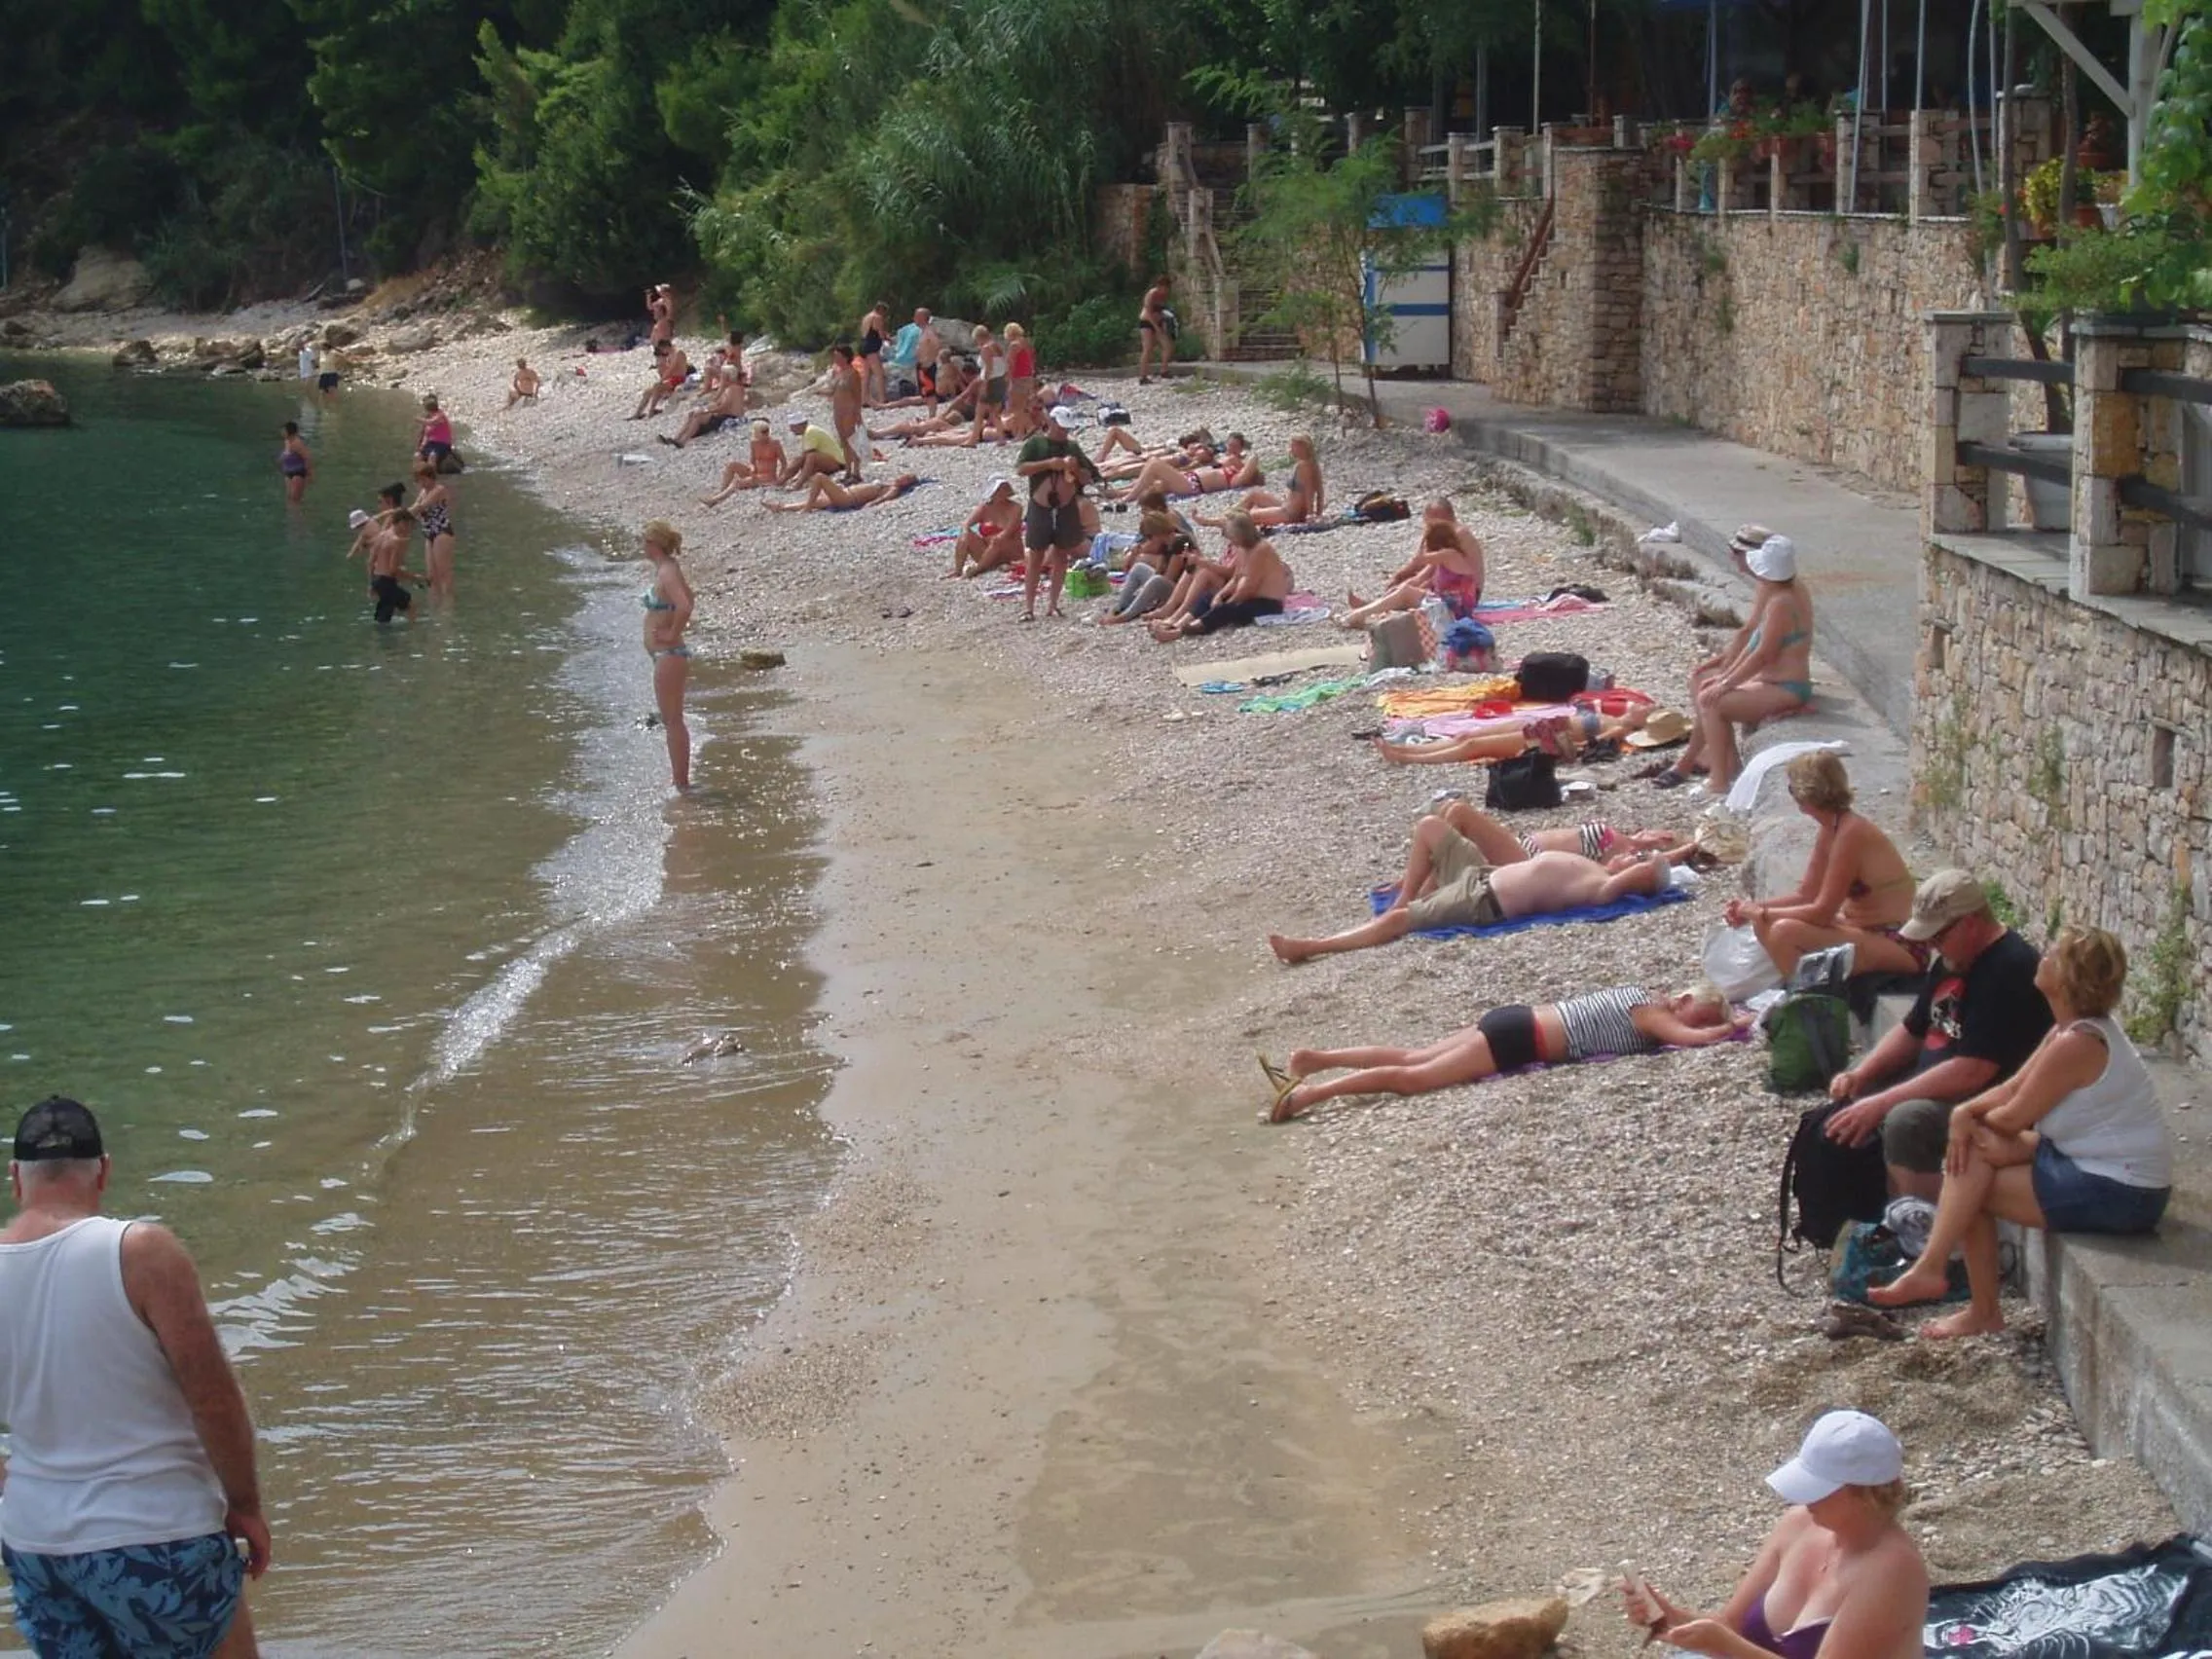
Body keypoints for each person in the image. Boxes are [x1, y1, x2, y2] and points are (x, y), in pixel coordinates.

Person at [0, 1096, 272, 1658]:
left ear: (15, 1179)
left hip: (38, 1546)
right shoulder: (142, 1252)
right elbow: (213, 1398)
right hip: (157, 1536)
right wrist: (245, 1503)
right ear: (103, 1171)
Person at [1869, 927, 2172, 1338]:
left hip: (2123, 1191)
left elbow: (2011, 1117)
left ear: (2067, 976)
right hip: (2083, 1160)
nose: (2041, 956)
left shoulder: (2079, 1042)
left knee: (1971, 1181)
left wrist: (1966, 1121)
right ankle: (1955, 1288)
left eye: (2052, 953)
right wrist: (1965, 1113)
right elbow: (2011, 1088)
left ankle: (1946, 1279)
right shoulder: (2066, 1029)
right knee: (1972, 1157)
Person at [1823, 869, 2055, 1201]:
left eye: (1938, 937)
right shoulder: (1952, 958)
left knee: (1907, 1120)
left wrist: (1885, 1101)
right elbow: (1912, 1029)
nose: (1931, 945)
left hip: (1987, 1099)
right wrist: (1860, 1074)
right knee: (1860, 1083)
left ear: (1970, 923)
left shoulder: (2008, 969)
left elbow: (1973, 1071)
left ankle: (1924, 1230)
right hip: (1943, 1077)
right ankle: (1880, 1209)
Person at [1624, 1410, 1927, 1659]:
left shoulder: (1892, 1571)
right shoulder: (1798, 1525)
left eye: (1818, 1489)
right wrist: (1670, 1617)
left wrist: (1724, 1646)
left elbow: (1727, 1640)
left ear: (1863, 1493)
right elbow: (1731, 1625)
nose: (1805, 1500)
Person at [1262, 981, 1745, 1121]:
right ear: (1681, 1002)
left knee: (1413, 1057)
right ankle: (1309, 1095)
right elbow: (1690, 1039)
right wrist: (1734, 1025)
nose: (1681, 1028)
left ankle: (1315, 1060)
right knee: (1412, 1079)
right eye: (1692, 1015)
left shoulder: (1636, 992)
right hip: (1519, 1039)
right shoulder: (1653, 1013)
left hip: (1516, 1018)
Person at [1267, 824, 1685, 965]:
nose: (1630, 856)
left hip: (1483, 900)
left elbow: (1636, 881)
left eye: (1635, 861)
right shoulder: (1596, 867)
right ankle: (1405, 896)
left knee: (1398, 924)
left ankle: (1311, 947)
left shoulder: (1600, 887)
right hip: (1481, 874)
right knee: (1431, 825)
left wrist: (1650, 870)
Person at [1728, 753, 1924, 978]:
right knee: (1764, 925)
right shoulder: (1832, 828)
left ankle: (1811, 1004)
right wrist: (1750, 908)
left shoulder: (1852, 833)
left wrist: (1761, 912)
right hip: (1861, 929)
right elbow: (1806, 895)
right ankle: (1807, 992)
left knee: (1784, 932)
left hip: (1897, 940)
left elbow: (1822, 912)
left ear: (1804, 794)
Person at [1653, 533, 1814, 794]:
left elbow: (1764, 654)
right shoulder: (1779, 593)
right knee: (1709, 689)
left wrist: (1727, 682)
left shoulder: (1782, 602)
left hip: (1787, 687)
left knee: (1713, 702)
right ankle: (1725, 767)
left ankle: (1718, 779)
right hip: (1773, 680)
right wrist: (1725, 674)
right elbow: (1754, 642)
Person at [1146, 511, 1291, 640]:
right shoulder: (1243, 548)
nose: (1229, 539)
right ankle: (1178, 624)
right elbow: (1236, 578)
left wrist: (1228, 601)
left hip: (1267, 603)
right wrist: (1220, 595)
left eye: (1231, 535)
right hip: (1251, 597)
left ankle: (1179, 632)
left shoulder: (1260, 550)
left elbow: (1249, 588)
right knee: (1208, 598)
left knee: (1224, 610)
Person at [1014, 404, 1098, 622]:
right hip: (1040, 505)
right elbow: (1021, 469)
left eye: (1066, 429)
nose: (1064, 433)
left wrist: (1075, 469)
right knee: (1035, 556)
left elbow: (1089, 476)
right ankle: (1029, 607)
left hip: (1065, 506)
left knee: (1061, 555)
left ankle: (1053, 604)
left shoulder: (1072, 448)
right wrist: (1050, 464)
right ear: (1050, 423)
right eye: (1061, 428)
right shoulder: (1035, 443)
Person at [1340, 518, 1484, 628]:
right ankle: (1365, 610)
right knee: (1406, 590)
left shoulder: (1448, 554)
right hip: (1451, 608)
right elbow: (1420, 578)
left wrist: (1424, 540)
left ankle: (1360, 614)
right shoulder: (1448, 558)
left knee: (1406, 593)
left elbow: (1419, 560)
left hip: (1454, 613)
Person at [641, 520, 694, 791]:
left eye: (644, 541)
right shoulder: (667, 569)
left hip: (669, 654)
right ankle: (679, 779)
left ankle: (681, 783)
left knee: (672, 720)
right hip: (667, 655)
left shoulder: (667, 573)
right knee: (672, 719)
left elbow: (684, 605)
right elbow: (690, 598)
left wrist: (672, 633)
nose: (641, 547)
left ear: (654, 544)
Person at [1200, 433, 1323, 529]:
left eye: (1293, 446)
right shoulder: (1312, 464)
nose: (1291, 450)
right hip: (1289, 507)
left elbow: (1310, 491)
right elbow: (1320, 491)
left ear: (1302, 447)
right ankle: (1225, 515)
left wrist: (1311, 515)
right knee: (1255, 494)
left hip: (1289, 513)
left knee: (1246, 517)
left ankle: (1216, 521)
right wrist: (1318, 513)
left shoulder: (1303, 467)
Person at [1097, 512, 1197, 622]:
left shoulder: (1181, 542)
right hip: (1172, 585)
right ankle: (1121, 606)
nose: (1149, 540)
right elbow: (1159, 570)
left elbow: (1170, 576)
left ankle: (1124, 616)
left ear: (1156, 533)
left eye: (1149, 537)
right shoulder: (1166, 543)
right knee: (1139, 568)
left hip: (1183, 590)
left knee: (1157, 580)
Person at [1109, 434, 1261, 503]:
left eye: (1234, 447)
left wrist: (1246, 461)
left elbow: (1253, 461)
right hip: (1189, 478)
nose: (1230, 450)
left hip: (1192, 485)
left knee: (1154, 464)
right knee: (1154, 485)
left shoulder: (1235, 479)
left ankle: (1127, 499)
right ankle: (1117, 493)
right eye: (1230, 445)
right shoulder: (1227, 467)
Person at [949, 477, 1024, 578]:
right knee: (965, 535)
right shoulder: (984, 508)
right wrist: (966, 532)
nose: (1002, 492)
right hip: (988, 553)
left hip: (1010, 552)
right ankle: (958, 571)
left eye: (1004, 489)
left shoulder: (1016, 508)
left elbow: (1008, 532)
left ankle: (976, 570)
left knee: (998, 540)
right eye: (999, 490)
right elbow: (965, 524)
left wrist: (995, 539)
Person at [700, 421, 788, 505]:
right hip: (755, 473)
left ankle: (714, 500)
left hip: (767, 476)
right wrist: (752, 468)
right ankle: (721, 492)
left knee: (737, 482)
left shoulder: (775, 444)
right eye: (763, 432)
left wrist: (780, 479)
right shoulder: (754, 443)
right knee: (732, 465)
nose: (766, 434)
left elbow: (784, 462)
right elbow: (752, 461)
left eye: (767, 431)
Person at [661, 367, 747, 449]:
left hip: (729, 417)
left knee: (698, 417)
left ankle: (683, 441)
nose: (720, 377)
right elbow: (717, 403)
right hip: (725, 415)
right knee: (692, 414)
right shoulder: (731, 389)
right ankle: (676, 438)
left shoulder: (732, 389)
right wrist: (706, 409)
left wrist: (706, 411)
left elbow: (724, 407)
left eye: (722, 376)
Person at [366, 507, 424, 624]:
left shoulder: (381, 536)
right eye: (409, 525)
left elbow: (371, 561)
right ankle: (411, 635)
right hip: (387, 582)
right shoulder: (396, 541)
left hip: (377, 580)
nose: (409, 530)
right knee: (411, 606)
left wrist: (371, 584)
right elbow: (393, 569)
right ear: (402, 523)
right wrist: (415, 577)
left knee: (382, 617)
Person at [409, 458, 457, 597]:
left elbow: (421, 507)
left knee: (444, 573)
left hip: (442, 532)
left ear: (431, 477)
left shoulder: (439, 489)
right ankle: (434, 608)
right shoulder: (423, 492)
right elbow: (414, 509)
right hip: (428, 533)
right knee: (431, 576)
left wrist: (399, 514)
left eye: (423, 480)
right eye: (419, 481)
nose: (422, 484)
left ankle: (447, 609)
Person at [763, 472, 921, 513]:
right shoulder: (890, 483)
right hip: (845, 494)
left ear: (907, 483)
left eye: (907, 478)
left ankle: (807, 509)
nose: (902, 477)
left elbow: (885, 498)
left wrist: (870, 505)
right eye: (905, 475)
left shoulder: (893, 489)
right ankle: (782, 507)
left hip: (848, 498)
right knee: (817, 501)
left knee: (819, 478)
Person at [828, 343, 867, 478]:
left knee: (852, 440)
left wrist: (857, 414)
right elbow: (832, 391)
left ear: (845, 357)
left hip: (849, 410)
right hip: (838, 410)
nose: (835, 359)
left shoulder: (853, 374)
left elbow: (857, 395)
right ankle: (848, 470)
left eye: (838, 357)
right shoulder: (838, 373)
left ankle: (856, 471)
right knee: (843, 441)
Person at [630, 342, 690, 421]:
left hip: (679, 378)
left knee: (657, 386)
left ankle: (651, 412)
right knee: (647, 392)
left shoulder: (678, 353)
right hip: (672, 379)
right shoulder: (670, 355)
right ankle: (637, 414)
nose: (663, 352)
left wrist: (661, 380)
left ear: (665, 347)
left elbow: (671, 369)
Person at [783, 415, 848, 487]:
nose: (791, 430)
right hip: (827, 462)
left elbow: (808, 455)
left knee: (811, 456)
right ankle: (785, 480)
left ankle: (798, 484)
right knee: (802, 459)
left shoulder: (810, 431)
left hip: (837, 463)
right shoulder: (807, 433)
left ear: (798, 425)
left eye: (792, 427)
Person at [1002, 322, 1037, 437]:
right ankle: (1021, 432)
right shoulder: (1026, 343)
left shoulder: (1014, 345)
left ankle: (1029, 426)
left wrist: (1009, 381)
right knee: (1022, 406)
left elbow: (1011, 364)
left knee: (1015, 406)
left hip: (1018, 378)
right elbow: (1032, 360)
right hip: (1028, 377)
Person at [1137, 274, 1172, 384]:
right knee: (1147, 348)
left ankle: (1164, 370)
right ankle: (1143, 376)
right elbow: (1148, 312)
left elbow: (1160, 311)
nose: (1165, 290)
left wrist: (1163, 324)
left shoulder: (1164, 296)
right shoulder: (1151, 294)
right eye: (1164, 287)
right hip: (1147, 322)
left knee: (1167, 345)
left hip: (1158, 322)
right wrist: (1156, 327)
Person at [857, 301, 890, 405]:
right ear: (881, 310)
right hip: (871, 348)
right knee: (880, 374)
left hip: (863, 345)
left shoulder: (866, 317)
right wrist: (888, 338)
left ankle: (863, 400)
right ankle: (882, 399)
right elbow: (881, 334)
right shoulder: (877, 317)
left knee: (866, 375)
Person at [276, 422, 312, 505]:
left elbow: (307, 457)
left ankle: (298, 517)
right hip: (288, 471)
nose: (282, 432)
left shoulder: (297, 443)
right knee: (289, 498)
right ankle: (292, 516)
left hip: (298, 473)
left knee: (295, 500)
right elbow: (287, 453)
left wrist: (309, 474)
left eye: (284, 431)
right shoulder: (287, 441)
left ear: (289, 432)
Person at [416, 395, 455, 464]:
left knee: (432, 455)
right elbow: (426, 435)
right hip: (431, 443)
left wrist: (418, 419)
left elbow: (432, 422)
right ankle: (418, 472)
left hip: (442, 443)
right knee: (417, 455)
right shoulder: (428, 417)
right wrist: (421, 446)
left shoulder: (440, 416)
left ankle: (432, 472)